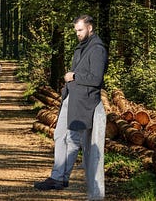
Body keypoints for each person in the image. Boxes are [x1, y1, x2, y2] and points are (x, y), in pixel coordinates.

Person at [34, 15, 108, 200]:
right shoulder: (82, 46)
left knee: (73, 139)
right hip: (71, 98)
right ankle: (57, 176)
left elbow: (96, 79)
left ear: (90, 28)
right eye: (76, 30)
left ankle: (60, 178)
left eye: (80, 30)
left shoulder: (97, 49)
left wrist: (73, 77)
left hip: (84, 102)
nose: (77, 34)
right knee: (60, 135)